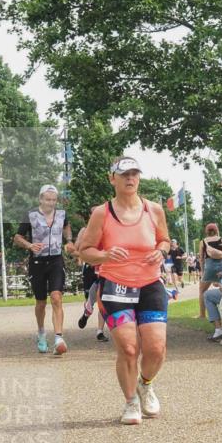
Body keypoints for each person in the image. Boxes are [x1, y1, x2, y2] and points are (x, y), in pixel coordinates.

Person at [78, 156, 170, 425]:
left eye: (134, 174)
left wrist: (160, 251)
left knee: (156, 349)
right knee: (129, 349)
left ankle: (145, 384)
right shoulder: (101, 213)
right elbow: (85, 251)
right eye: (124, 174)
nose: (130, 179)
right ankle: (131, 402)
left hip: (150, 284)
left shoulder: (153, 210)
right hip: (115, 285)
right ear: (112, 179)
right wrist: (105, 255)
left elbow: (164, 240)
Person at [14, 184, 75, 355]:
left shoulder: (62, 214)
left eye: (54, 200)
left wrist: (69, 240)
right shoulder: (31, 215)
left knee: (56, 297)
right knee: (41, 302)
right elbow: (17, 237)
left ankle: (58, 338)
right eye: (48, 199)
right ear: (41, 199)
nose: (51, 203)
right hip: (37, 263)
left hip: (56, 260)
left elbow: (66, 227)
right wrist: (29, 245)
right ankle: (41, 333)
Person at [72, 224, 108, 342]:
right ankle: (87, 313)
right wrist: (87, 256)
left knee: (102, 300)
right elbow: (75, 251)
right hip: (89, 268)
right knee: (90, 300)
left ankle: (100, 331)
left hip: (103, 268)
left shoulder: (108, 228)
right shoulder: (84, 231)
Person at [197, 222, 222, 319]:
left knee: (202, 291)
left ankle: (202, 314)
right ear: (216, 230)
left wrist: (202, 271)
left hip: (209, 267)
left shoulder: (203, 241)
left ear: (206, 231)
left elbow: (201, 258)